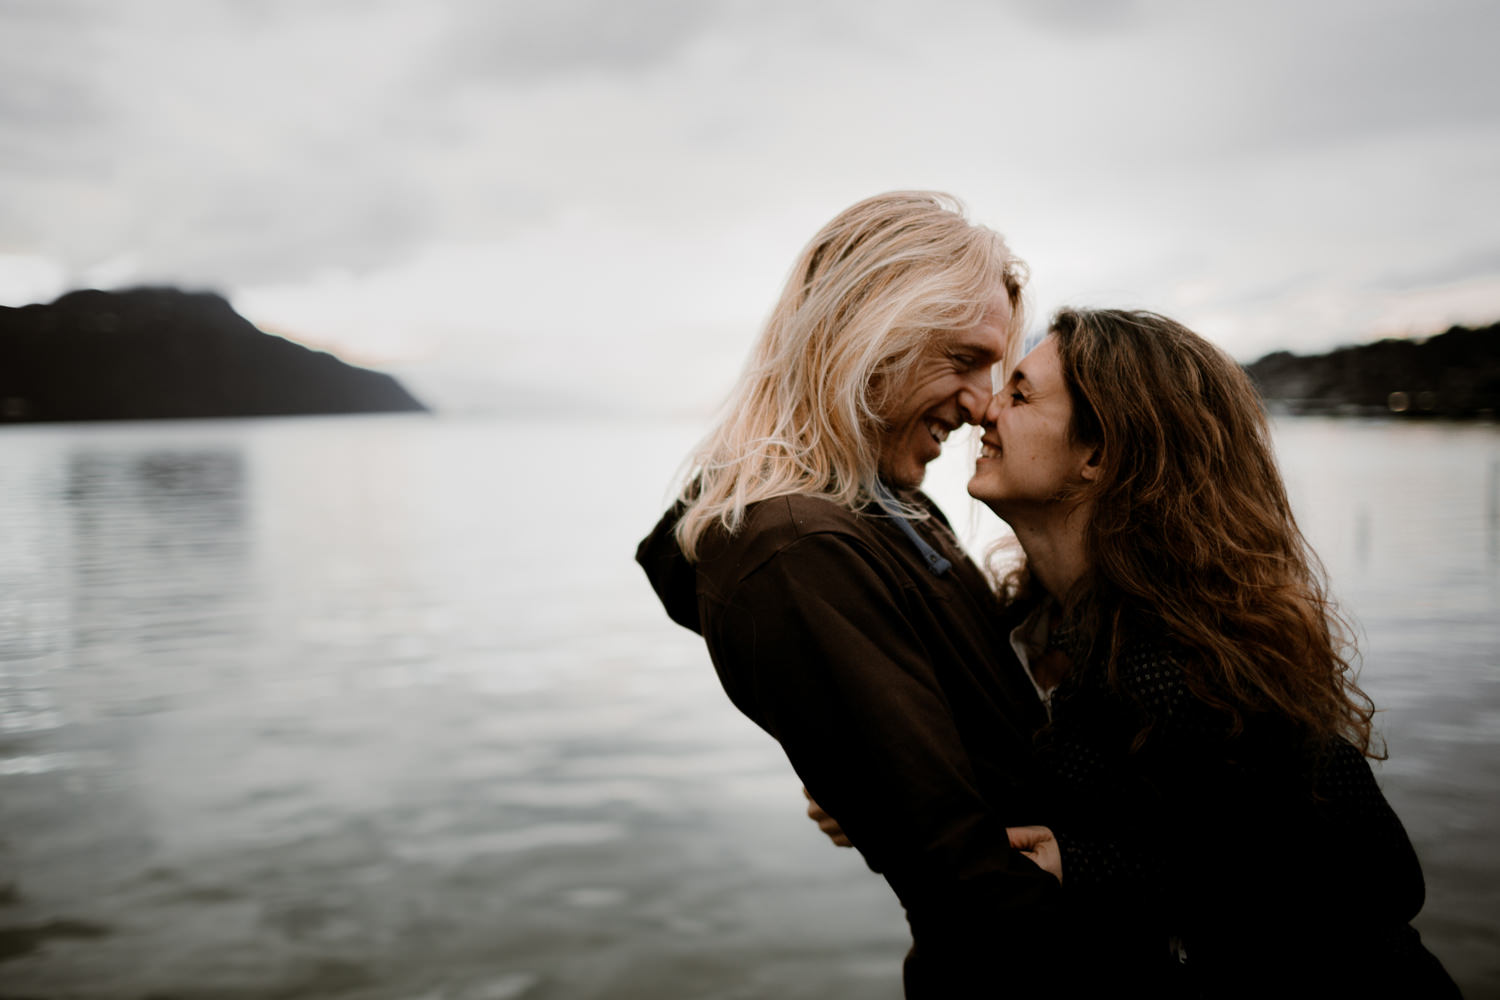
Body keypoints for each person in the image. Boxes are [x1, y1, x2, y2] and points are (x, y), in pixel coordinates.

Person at [636, 191, 1066, 996]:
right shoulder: (796, 548)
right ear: (869, 332)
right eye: (965, 359)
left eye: (998, 372)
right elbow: (965, 880)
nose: (981, 406)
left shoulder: (884, 505)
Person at [964, 308, 1459, 995]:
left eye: (1019, 394)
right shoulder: (1031, 621)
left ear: (1099, 455)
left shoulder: (1179, 666)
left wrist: (1087, 867)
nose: (984, 409)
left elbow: (1377, 875)